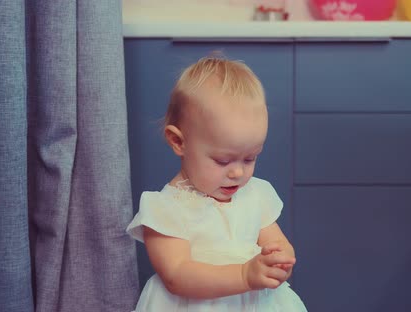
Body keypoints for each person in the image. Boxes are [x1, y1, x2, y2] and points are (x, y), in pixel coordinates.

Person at [126, 54, 307, 311]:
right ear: (179, 142)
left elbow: (276, 242)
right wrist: (244, 275)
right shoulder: (165, 209)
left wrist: (278, 261)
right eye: (223, 161)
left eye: (250, 158)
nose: (237, 173)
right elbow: (176, 275)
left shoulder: (255, 194)